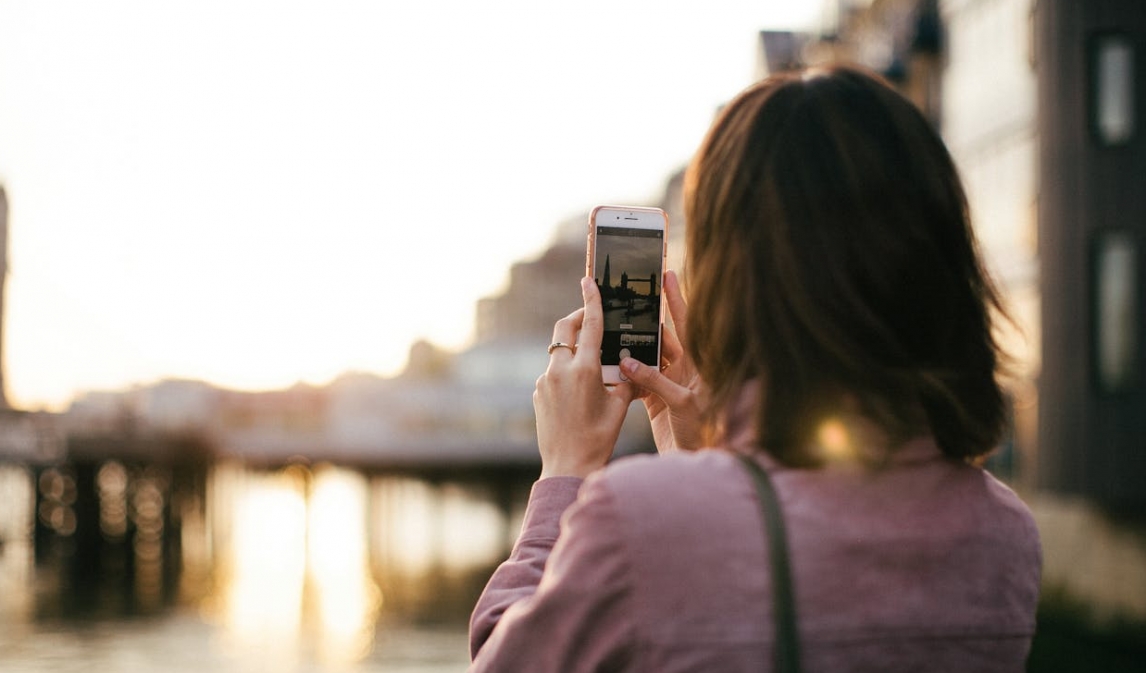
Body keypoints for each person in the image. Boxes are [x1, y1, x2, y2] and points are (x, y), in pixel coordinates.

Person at [467, 65, 1041, 672]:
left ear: (730, 275)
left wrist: (567, 471)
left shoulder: (635, 519)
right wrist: (707, 462)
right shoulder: (1003, 535)